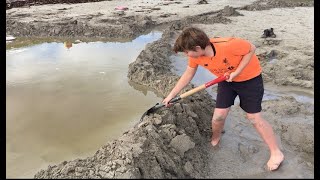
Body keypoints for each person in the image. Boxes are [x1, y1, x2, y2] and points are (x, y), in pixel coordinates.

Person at [162, 27, 284, 171]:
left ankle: (276, 153)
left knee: (254, 118)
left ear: (197, 47)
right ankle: (215, 138)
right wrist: (171, 95)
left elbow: (251, 48)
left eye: (187, 52)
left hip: (250, 80)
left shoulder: (229, 45)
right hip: (226, 81)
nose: (186, 55)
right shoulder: (195, 56)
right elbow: (188, 75)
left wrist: (236, 72)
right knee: (218, 117)